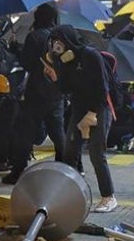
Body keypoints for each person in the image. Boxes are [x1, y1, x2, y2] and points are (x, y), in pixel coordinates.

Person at [44, 25, 117, 213]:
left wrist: (92, 114)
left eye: (58, 40)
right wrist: (55, 73)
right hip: (79, 107)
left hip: (99, 107)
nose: (56, 45)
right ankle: (69, 196)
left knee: (96, 152)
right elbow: (65, 89)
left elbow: (103, 88)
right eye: (53, 42)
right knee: (69, 151)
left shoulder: (90, 55)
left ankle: (108, 197)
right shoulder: (64, 61)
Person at [3, 2, 65, 184]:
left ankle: (18, 170)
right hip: (56, 92)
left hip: (36, 93)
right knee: (58, 132)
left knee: (26, 133)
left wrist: (16, 50)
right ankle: (66, 166)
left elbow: (27, 64)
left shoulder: (34, 36)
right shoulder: (60, 37)